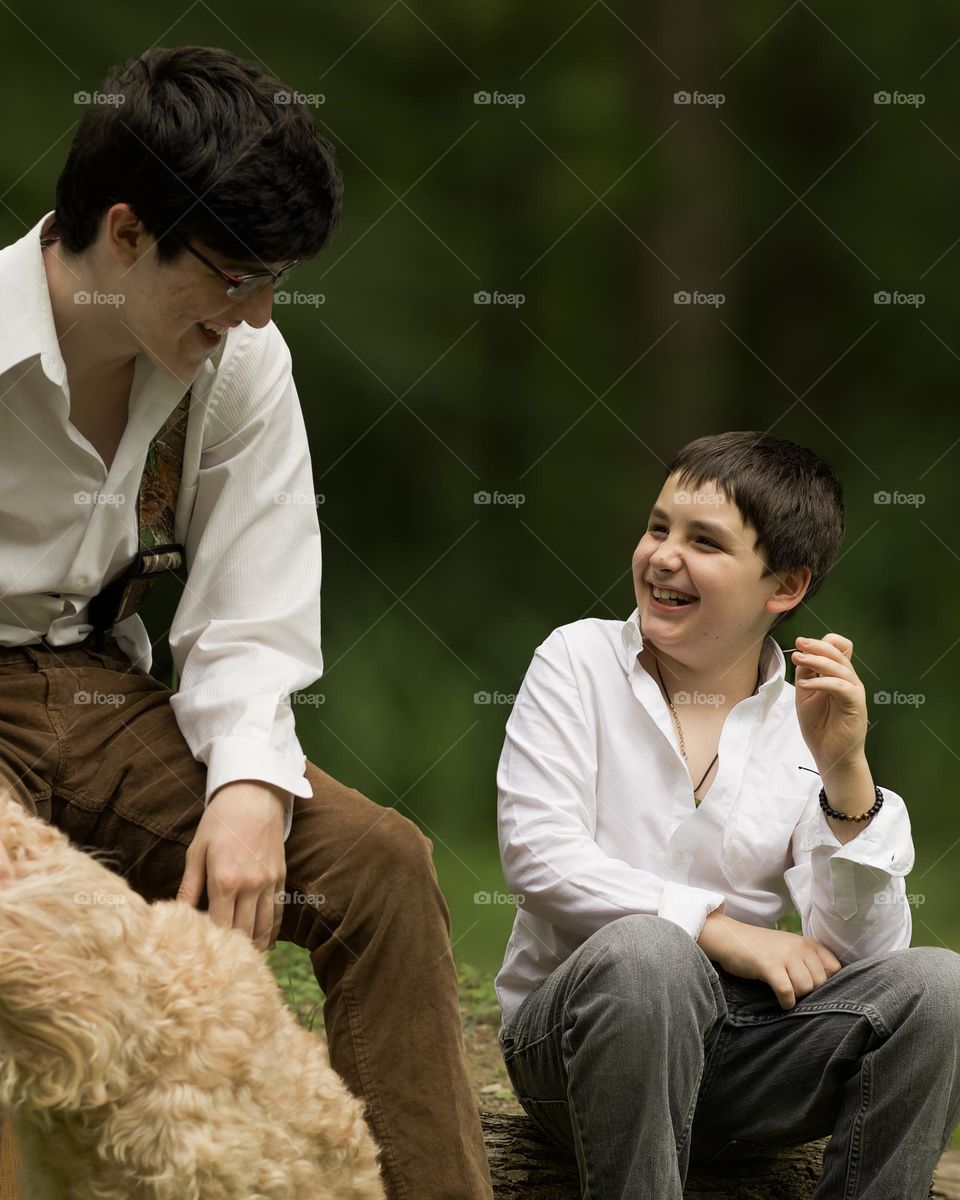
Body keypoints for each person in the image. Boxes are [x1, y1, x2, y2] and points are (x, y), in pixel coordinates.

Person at [0, 45, 493, 1200]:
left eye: (274, 280)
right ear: (125, 235)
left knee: (377, 864)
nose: (261, 312)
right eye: (234, 276)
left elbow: (249, 611)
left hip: (104, 694)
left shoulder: (241, 362)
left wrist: (249, 790)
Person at [494, 431, 960, 1198]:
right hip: (578, 1046)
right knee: (650, 954)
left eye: (703, 541)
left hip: (742, 1061)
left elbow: (859, 955)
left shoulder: (803, 718)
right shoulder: (577, 662)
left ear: (784, 587)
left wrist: (846, 772)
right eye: (657, 527)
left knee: (937, 987)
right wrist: (716, 929)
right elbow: (540, 858)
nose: (663, 556)